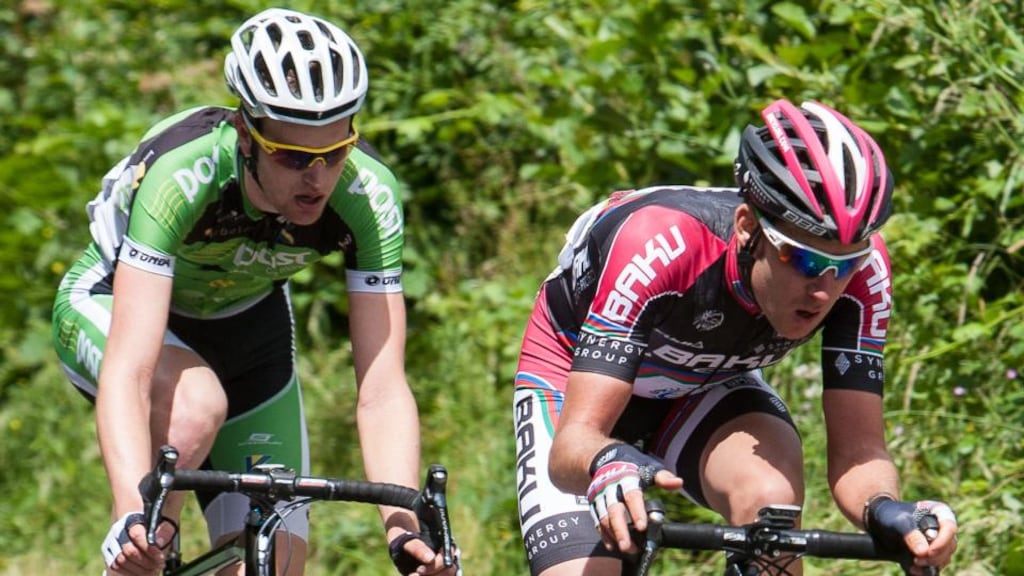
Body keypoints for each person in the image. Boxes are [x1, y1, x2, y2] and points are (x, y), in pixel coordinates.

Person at [52, 8, 453, 576]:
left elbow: (382, 389)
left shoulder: (370, 197)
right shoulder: (183, 173)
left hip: (248, 331)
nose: (316, 179)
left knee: (276, 560)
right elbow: (130, 370)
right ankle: (148, 550)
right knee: (193, 409)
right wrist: (129, 520)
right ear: (246, 134)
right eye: (292, 158)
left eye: (334, 153)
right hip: (114, 306)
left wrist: (405, 529)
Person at [513, 98, 959, 576]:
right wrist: (606, 460)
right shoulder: (660, 244)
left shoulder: (866, 280)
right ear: (748, 229)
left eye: (845, 264)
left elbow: (859, 451)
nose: (826, 287)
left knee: (771, 505)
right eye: (805, 259)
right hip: (572, 378)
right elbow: (571, 446)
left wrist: (886, 510)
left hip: (702, 384)